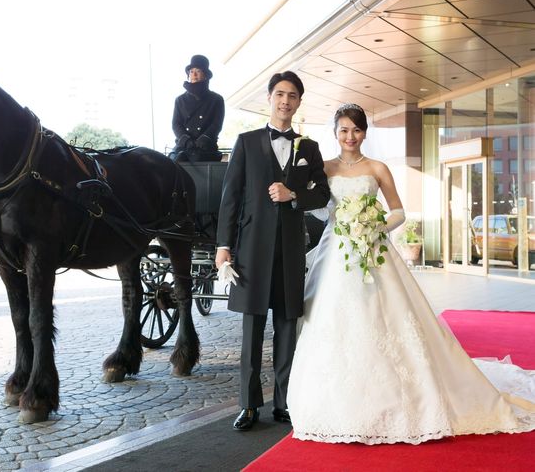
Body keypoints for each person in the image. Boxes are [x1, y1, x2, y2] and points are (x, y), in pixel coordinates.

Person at [287, 103, 535, 444]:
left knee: (385, 317)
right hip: (336, 255)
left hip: (374, 251)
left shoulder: (377, 167)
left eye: (356, 130)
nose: (350, 136)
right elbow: (314, 207)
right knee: (331, 318)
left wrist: (374, 227)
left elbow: (398, 212)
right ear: (335, 132)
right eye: (344, 130)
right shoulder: (324, 168)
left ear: (364, 133)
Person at [215, 71, 330, 431]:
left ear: (299, 102)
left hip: (291, 248)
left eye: (292, 96)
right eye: (280, 94)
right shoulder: (246, 142)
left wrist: (294, 194)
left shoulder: (308, 148)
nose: (285, 101)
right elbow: (231, 197)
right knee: (252, 327)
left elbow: (322, 193)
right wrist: (223, 246)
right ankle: (249, 405)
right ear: (269, 98)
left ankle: (285, 401)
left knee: (286, 324)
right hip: (251, 248)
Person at [169, 54, 225, 162]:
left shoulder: (216, 99)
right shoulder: (180, 100)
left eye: (198, 71)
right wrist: (186, 140)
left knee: (198, 159)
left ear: (205, 75)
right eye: (191, 71)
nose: (194, 74)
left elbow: (216, 124)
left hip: (206, 146)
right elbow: (176, 124)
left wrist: (204, 139)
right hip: (183, 146)